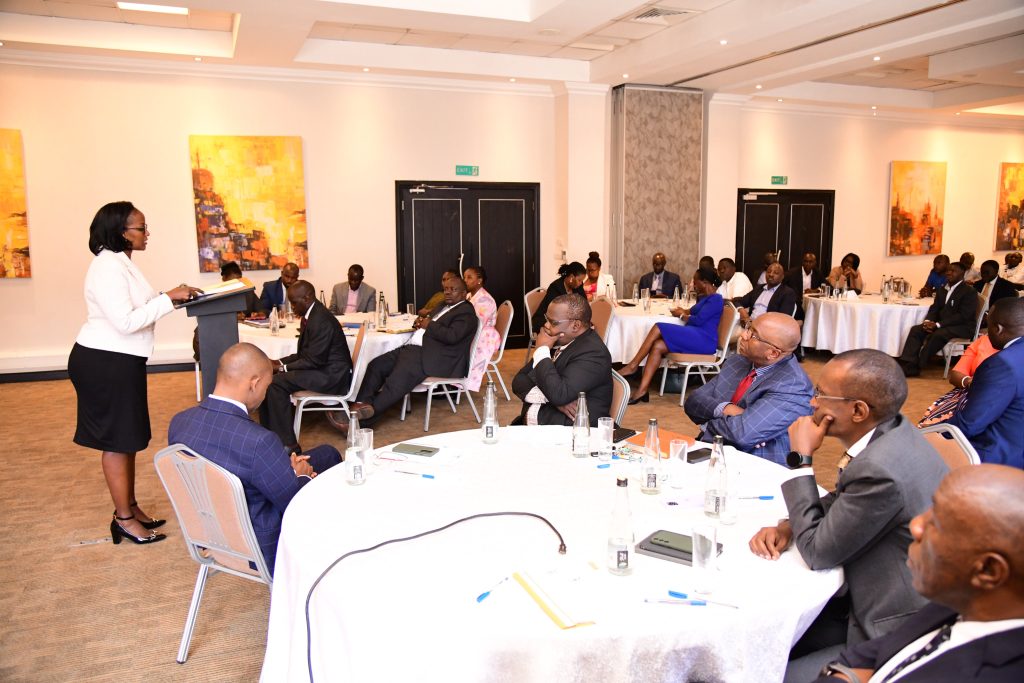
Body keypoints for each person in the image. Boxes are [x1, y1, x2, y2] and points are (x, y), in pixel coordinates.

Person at [749, 349, 948, 681]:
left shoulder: (879, 468)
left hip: (890, 625)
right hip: (867, 596)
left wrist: (801, 457)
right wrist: (790, 525)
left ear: (858, 410)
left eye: (821, 394)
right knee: (764, 638)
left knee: (765, 666)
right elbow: (849, 499)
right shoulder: (895, 430)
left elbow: (818, 552)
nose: (812, 403)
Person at [68, 201, 202, 545]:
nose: (146, 234)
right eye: (141, 228)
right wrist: (168, 298)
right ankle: (124, 520)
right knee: (116, 441)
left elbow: (138, 308)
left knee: (127, 438)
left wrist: (171, 297)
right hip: (103, 363)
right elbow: (126, 322)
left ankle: (129, 506)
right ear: (119, 231)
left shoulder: (122, 264)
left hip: (120, 361)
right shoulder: (106, 267)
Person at [813, 464, 1024, 682]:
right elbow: (879, 650)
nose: (915, 525)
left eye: (938, 523)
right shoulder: (960, 599)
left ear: (989, 570)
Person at [169, 343, 341, 575]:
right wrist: (299, 476)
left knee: (327, 454)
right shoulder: (259, 441)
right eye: (267, 386)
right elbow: (293, 504)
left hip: (208, 532)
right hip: (257, 544)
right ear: (255, 382)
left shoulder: (179, 423)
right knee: (324, 471)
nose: (265, 393)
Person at [683, 312, 812, 464]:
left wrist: (707, 424)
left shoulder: (794, 386)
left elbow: (741, 435)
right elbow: (693, 401)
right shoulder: (737, 362)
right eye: (748, 327)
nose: (743, 335)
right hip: (713, 452)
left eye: (753, 335)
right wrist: (726, 408)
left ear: (773, 353)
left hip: (757, 465)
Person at [351, 275, 477, 426]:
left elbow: (452, 336)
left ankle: (362, 422)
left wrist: (428, 325)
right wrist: (421, 322)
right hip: (414, 349)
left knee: (396, 382)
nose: (448, 293)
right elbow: (429, 319)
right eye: (446, 289)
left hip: (435, 357)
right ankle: (359, 406)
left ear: (464, 294)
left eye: (453, 290)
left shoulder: (466, 313)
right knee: (376, 365)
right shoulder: (443, 304)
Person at [259, 280, 353, 452]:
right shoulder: (312, 315)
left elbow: (313, 361)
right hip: (322, 369)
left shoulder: (321, 320)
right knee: (271, 380)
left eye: (294, 303)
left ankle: (288, 444)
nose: (291, 307)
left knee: (275, 383)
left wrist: (281, 369)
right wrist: (278, 362)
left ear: (307, 298)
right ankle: (269, 435)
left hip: (332, 376)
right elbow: (305, 355)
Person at [618, 267, 724, 404]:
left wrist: (681, 315)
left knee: (658, 326)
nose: (693, 284)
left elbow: (698, 320)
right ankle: (642, 390)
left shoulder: (716, 299)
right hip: (696, 335)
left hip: (704, 340)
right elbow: (690, 311)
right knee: (658, 345)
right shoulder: (705, 298)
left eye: (695, 281)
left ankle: (633, 365)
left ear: (704, 282)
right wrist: (682, 311)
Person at [940, 297, 1024, 468]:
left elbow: (970, 425)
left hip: (1000, 456)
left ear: (998, 329)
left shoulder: (1002, 364)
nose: (986, 334)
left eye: (988, 328)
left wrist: (922, 437)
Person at [512, 293, 612, 426]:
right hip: (536, 429)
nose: (546, 326)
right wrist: (552, 400)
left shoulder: (593, 353)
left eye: (553, 322)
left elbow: (559, 394)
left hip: (569, 436)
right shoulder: (558, 340)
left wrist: (541, 350)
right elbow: (519, 380)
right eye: (547, 319)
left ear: (575, 325)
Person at [897, 261, 980, 377]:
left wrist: (938, 324)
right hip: (943, 324)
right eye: (948, 270)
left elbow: (963, 316)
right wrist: (928, 321)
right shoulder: (943, 289)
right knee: (916, 330)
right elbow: (935, 308)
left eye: (953, 271)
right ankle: (907, 362)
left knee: (939, 334)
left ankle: (917, 365)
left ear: (962, 274)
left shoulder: (969, 292)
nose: (949, 273)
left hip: (963, 326)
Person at [192, 261, 266, 361]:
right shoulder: (216, 295)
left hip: (246, 339)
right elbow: (209, 319)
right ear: (224, 279)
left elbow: (263, 309)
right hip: (223, 338)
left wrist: (259, 313)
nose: (237, 284)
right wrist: (232, 317)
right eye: (232, 281)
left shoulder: (248, 293)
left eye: (239, 280)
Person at [918, 334, 996, 427]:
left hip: (991, 398)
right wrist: (969, 382)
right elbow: (955, 375)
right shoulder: (984, 340)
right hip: (968, 391)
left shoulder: (1015, 350)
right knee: (930, 425)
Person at [463, 265, 501, 391]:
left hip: (484, 336)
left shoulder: (485, 299)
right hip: (475, 331)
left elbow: (476, 323)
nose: (465, 280)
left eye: (469, 277)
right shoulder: (469, 295)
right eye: (464, 277)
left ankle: (458, 381)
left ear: (479, 280)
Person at [734, 262, 798, 323]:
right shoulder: (759, 288)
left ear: (782, 277)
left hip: (767, 328)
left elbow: (783, 318)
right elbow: (739, 302)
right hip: (749, 323)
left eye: (775, 273)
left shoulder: (787, 293)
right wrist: (741, 310)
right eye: (768, 272)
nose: (771, 274)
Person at [532, 262, 587, 333]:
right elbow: (555, 311)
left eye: (582, 281)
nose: (580, 283)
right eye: (579, 280)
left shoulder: (578, 286)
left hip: (566, 321)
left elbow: (584, 302)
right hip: (548, 320)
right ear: (571, 277)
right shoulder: (555, 287)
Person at [785, 251, 826, 319]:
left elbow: (828, 286)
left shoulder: (817, 273)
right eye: (806, 261)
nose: (808, 264)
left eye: (811, 262)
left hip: (812, 304)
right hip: (797, 303)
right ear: (802, 262)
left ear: (815, 263)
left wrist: (815, 291)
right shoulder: (792, 273)